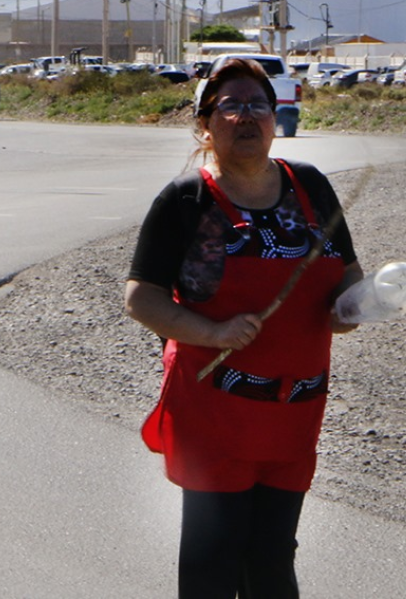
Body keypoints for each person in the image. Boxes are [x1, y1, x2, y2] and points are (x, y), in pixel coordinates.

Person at [125, 58, 364, 598]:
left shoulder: (311, 187)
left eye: (258, 104)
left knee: (273, 560)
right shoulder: (186, 200)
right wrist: (213, 333)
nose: (246, 116)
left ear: (276, 117)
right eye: (230, 106)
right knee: (214, 560)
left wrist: (355, 307)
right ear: (205, 125)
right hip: (214, 412)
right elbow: (141, 298)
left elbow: (347, 277)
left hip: (296, 412)